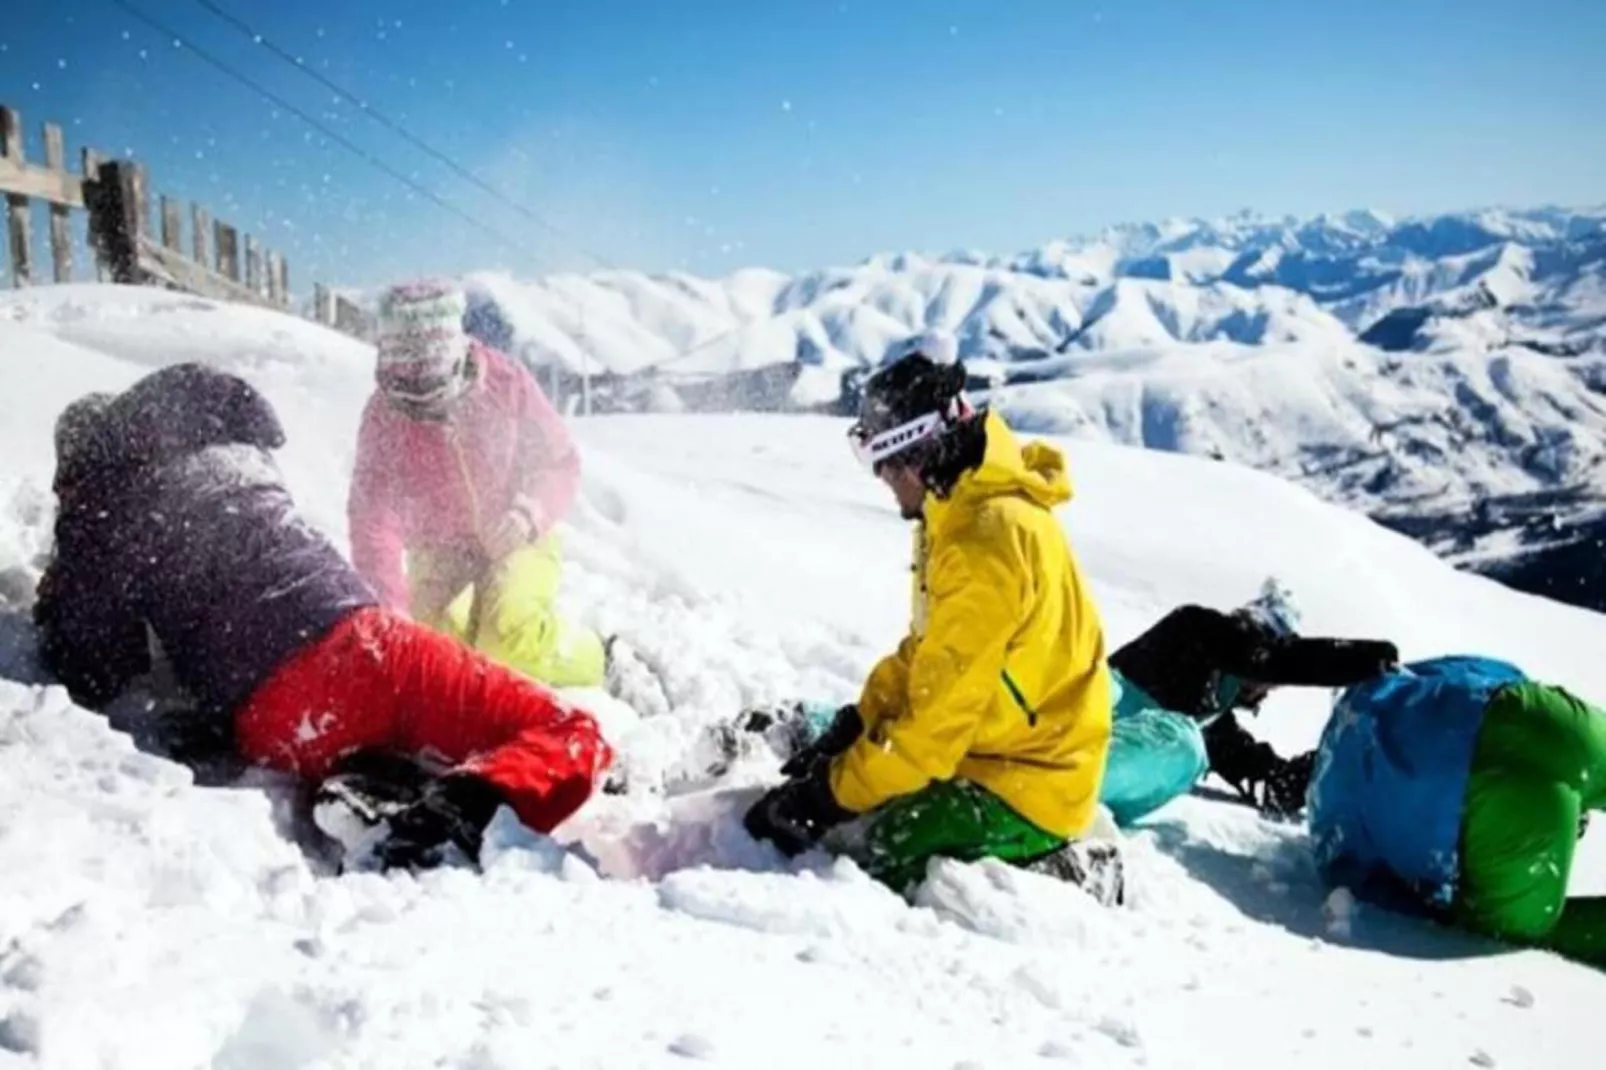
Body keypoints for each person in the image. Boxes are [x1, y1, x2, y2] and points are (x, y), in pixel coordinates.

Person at [33, 363, 613, 870]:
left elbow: (96, 666)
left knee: (377, 729)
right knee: (571, 731)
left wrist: (68, 576)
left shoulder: (100, 515)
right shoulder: (232, 446)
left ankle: (377, 779)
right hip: (368, 653)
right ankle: (457, 813)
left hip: (270, 722)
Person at [740, 336, 1122, 903]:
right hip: (993, 744)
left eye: (886, 467)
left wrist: (826, 796)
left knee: (884, 855)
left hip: (1033, 776)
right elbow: (928, 655)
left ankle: (1069, 869)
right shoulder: (956, 505)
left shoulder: (984, 541)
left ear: (919, 454)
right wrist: (859, 723)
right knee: (870, 803)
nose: (883, 482)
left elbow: (934, 730)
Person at [347, 279, 607, 690]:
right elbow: (372, 516)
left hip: (518, 535)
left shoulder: (507, 383)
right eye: (410, 396)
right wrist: (389, 605)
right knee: (430, 649)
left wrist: (528, 514)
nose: (426, 411)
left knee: (506, 636)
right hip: (439, 552)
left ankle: (598, 656)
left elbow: (559, 461)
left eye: (433, 391)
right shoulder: (382, 415)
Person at [1307, 655, 1604, 969]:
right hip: (1536, 717)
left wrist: (1456, 907)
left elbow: (1384, 893)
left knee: (1524, 926)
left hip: (1489, 799)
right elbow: (1491, 668)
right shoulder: (1365, 691)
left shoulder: (1326, 829)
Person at [1100, 584, 1400, 825]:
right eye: (1269, 683)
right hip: (1088, 715)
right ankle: (1074, 785)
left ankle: (1087, 803)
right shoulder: (1193, 630)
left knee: (1187, 749)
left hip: (1099, 770)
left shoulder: (1209, 722)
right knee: (1184, 744)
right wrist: (1366, 660)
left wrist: (1326, 764)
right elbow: (1264, 660)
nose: (1266, 693)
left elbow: (1269, 782)